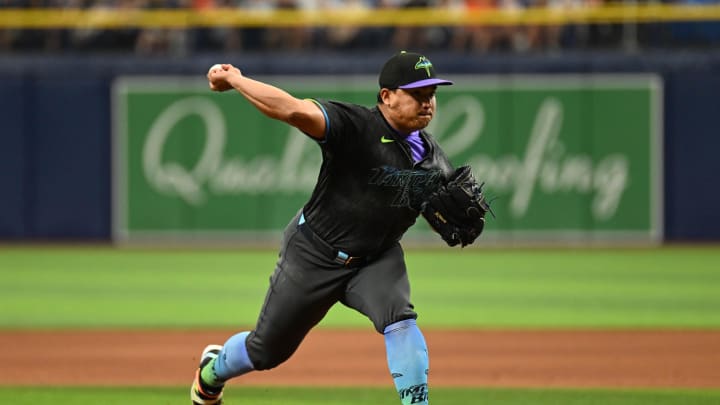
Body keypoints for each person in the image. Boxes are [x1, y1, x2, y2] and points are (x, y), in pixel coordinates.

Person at [192, 51, 455, 405]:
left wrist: (454, 224)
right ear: (387, 96)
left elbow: (444, 218)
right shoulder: (355, 126)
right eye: (417, 94)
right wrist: (236, 79)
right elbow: (293, 110)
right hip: (313, 254)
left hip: (376, 259)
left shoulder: (435, 163)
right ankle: (211, 373)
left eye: (431, 95)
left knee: (400, 319)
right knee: (266, 351)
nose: (427, 103)